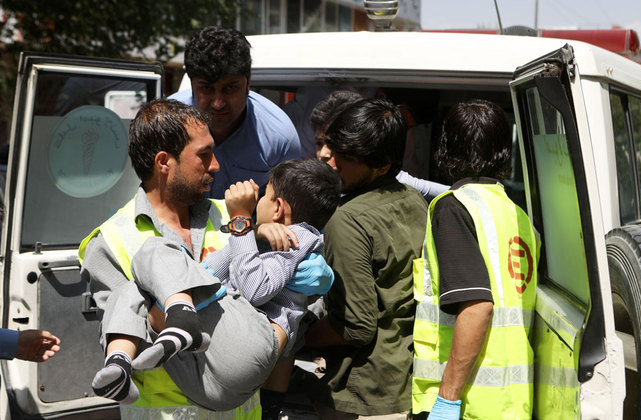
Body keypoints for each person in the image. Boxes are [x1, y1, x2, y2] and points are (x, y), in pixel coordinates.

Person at [79, 98, 263, 419]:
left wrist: (164, 302)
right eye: (203, 155)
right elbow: (122, 334)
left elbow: (265, 293)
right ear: (164, 162)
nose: (216, 165)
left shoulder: (232, 216)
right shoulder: (110, 240)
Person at [127, 159, 341, 414]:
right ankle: (122, 362)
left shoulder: (295, 238)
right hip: (216, 382)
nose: (258, 200)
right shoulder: (271, 236)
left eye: (265, 195)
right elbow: (210, 271)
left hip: (252, 341)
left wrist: (240, 220)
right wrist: (249, 232)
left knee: (156, 248)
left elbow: (254, 290)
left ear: (278, 208)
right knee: (133, 292)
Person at [411, 100, 540, 420]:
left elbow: (478, 306)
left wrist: (448, 400)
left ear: (445, 148)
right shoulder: (518, 216)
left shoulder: (454, 208)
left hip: (469, 404)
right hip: (510, 402)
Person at [305, 98, 428, 418]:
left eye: (345, 159)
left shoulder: (348, 219)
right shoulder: (413, 200)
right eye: (330, 147)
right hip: (404, 379)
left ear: (383, 165)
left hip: (362, 393)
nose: (329, 161)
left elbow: (356, 326)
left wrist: (299, 334)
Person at [169, 26, 300, 198]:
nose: (218, 103)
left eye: (230, 88)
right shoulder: (166, 124)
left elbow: (286, 210)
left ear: (248, 82)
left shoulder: (280, 137)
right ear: (192, 84)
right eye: (206, 89)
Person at [310, 90, 448, 202]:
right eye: (319, 143)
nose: (323, 153)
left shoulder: (393, 184)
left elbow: (447, 192)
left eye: (335, 146)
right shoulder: (311, 184)